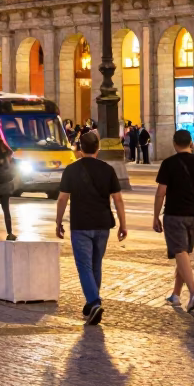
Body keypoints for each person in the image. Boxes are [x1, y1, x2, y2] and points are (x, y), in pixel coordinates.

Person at [55, 130, 127, 326]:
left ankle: (94, 302)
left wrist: (58, 221)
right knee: (96, 264)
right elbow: (118, 199)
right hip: (103, 224)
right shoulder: (108, 169)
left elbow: (63, 198)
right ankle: (91, 302)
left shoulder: (71, 170)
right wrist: (123, 224)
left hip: (81, 224)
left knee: (84, 266)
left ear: (79, 148)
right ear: (98, 148)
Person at [154, 129, 194, 311]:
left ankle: (193, 291)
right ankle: (176, 295)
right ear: (191, 143)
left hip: (175, 214)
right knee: (183, 253)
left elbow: (161, 192)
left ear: (174, 143)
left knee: (180, 251)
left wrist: (155, 216)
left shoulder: (169, 163)